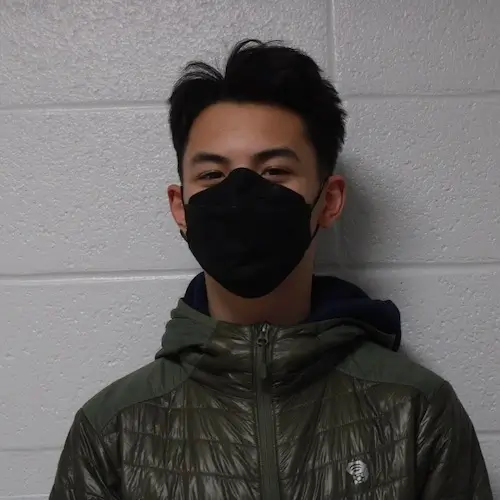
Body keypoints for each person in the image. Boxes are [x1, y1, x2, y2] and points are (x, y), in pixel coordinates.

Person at [49, 39, 493, 500]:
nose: (241, 193)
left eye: (274, 171)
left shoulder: (417, 413)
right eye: (212, 175)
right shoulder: (112, 433)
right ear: (180, 208)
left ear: (329, 200)